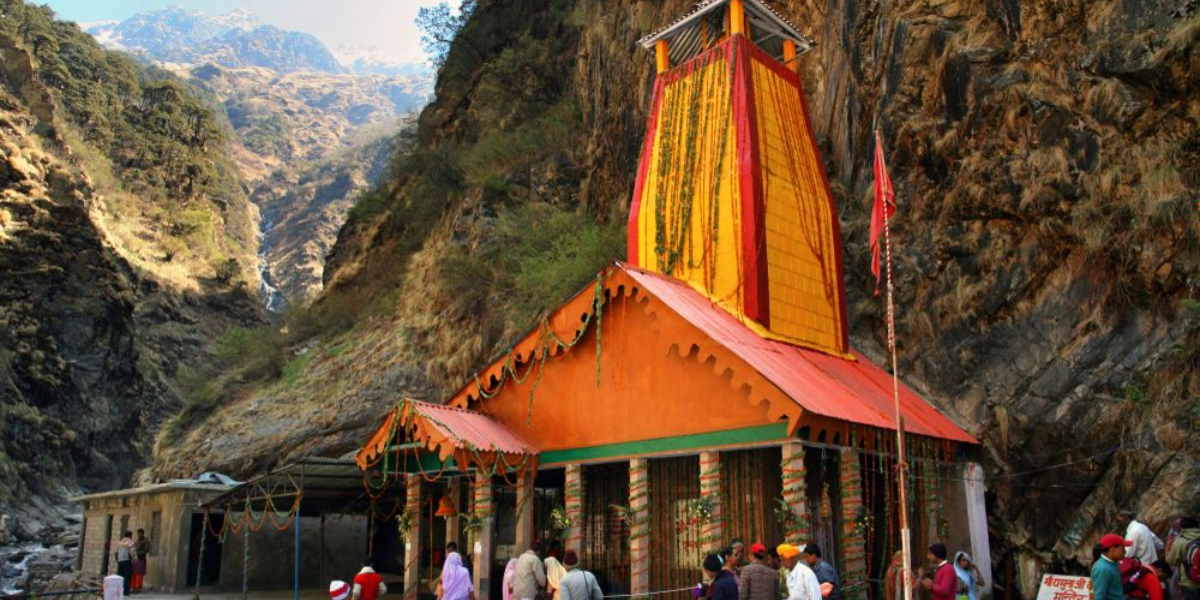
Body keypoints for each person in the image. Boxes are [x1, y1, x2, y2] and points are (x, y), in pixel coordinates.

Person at [1164, 517, 1199, 600]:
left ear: (1182, 528)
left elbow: (1170, 561)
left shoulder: (1180, 541)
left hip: (1189, 583)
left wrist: (1168, 547)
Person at [1093, 533, 1133, 600]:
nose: (1125, 552)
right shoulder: (1102, 569)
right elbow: (1099, 597)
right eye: (1123, 548)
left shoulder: (1114, 563)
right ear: (1112, 549)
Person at [115, 531, 135, 596]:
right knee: (127, 576)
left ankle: (118, 591)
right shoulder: (131, 542)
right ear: (130, 536)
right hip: (127, 560)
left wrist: (117, 560)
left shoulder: (119, 542)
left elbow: (116, 552)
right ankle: (126, 592)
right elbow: (131, 552)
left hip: (120, 561)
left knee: (120, 576)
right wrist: (133, 560)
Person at [133, 529, 150, 593]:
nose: (139, 535)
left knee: (139, 574)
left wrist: (139, 553)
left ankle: (138, 587)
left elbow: (146, 550)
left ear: (142, 534)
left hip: (141, 558)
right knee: (134, 573)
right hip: (136, 559)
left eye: (140, 533)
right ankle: (134, 587)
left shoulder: (146, 541)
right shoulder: (137, 541)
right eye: (138, 533)